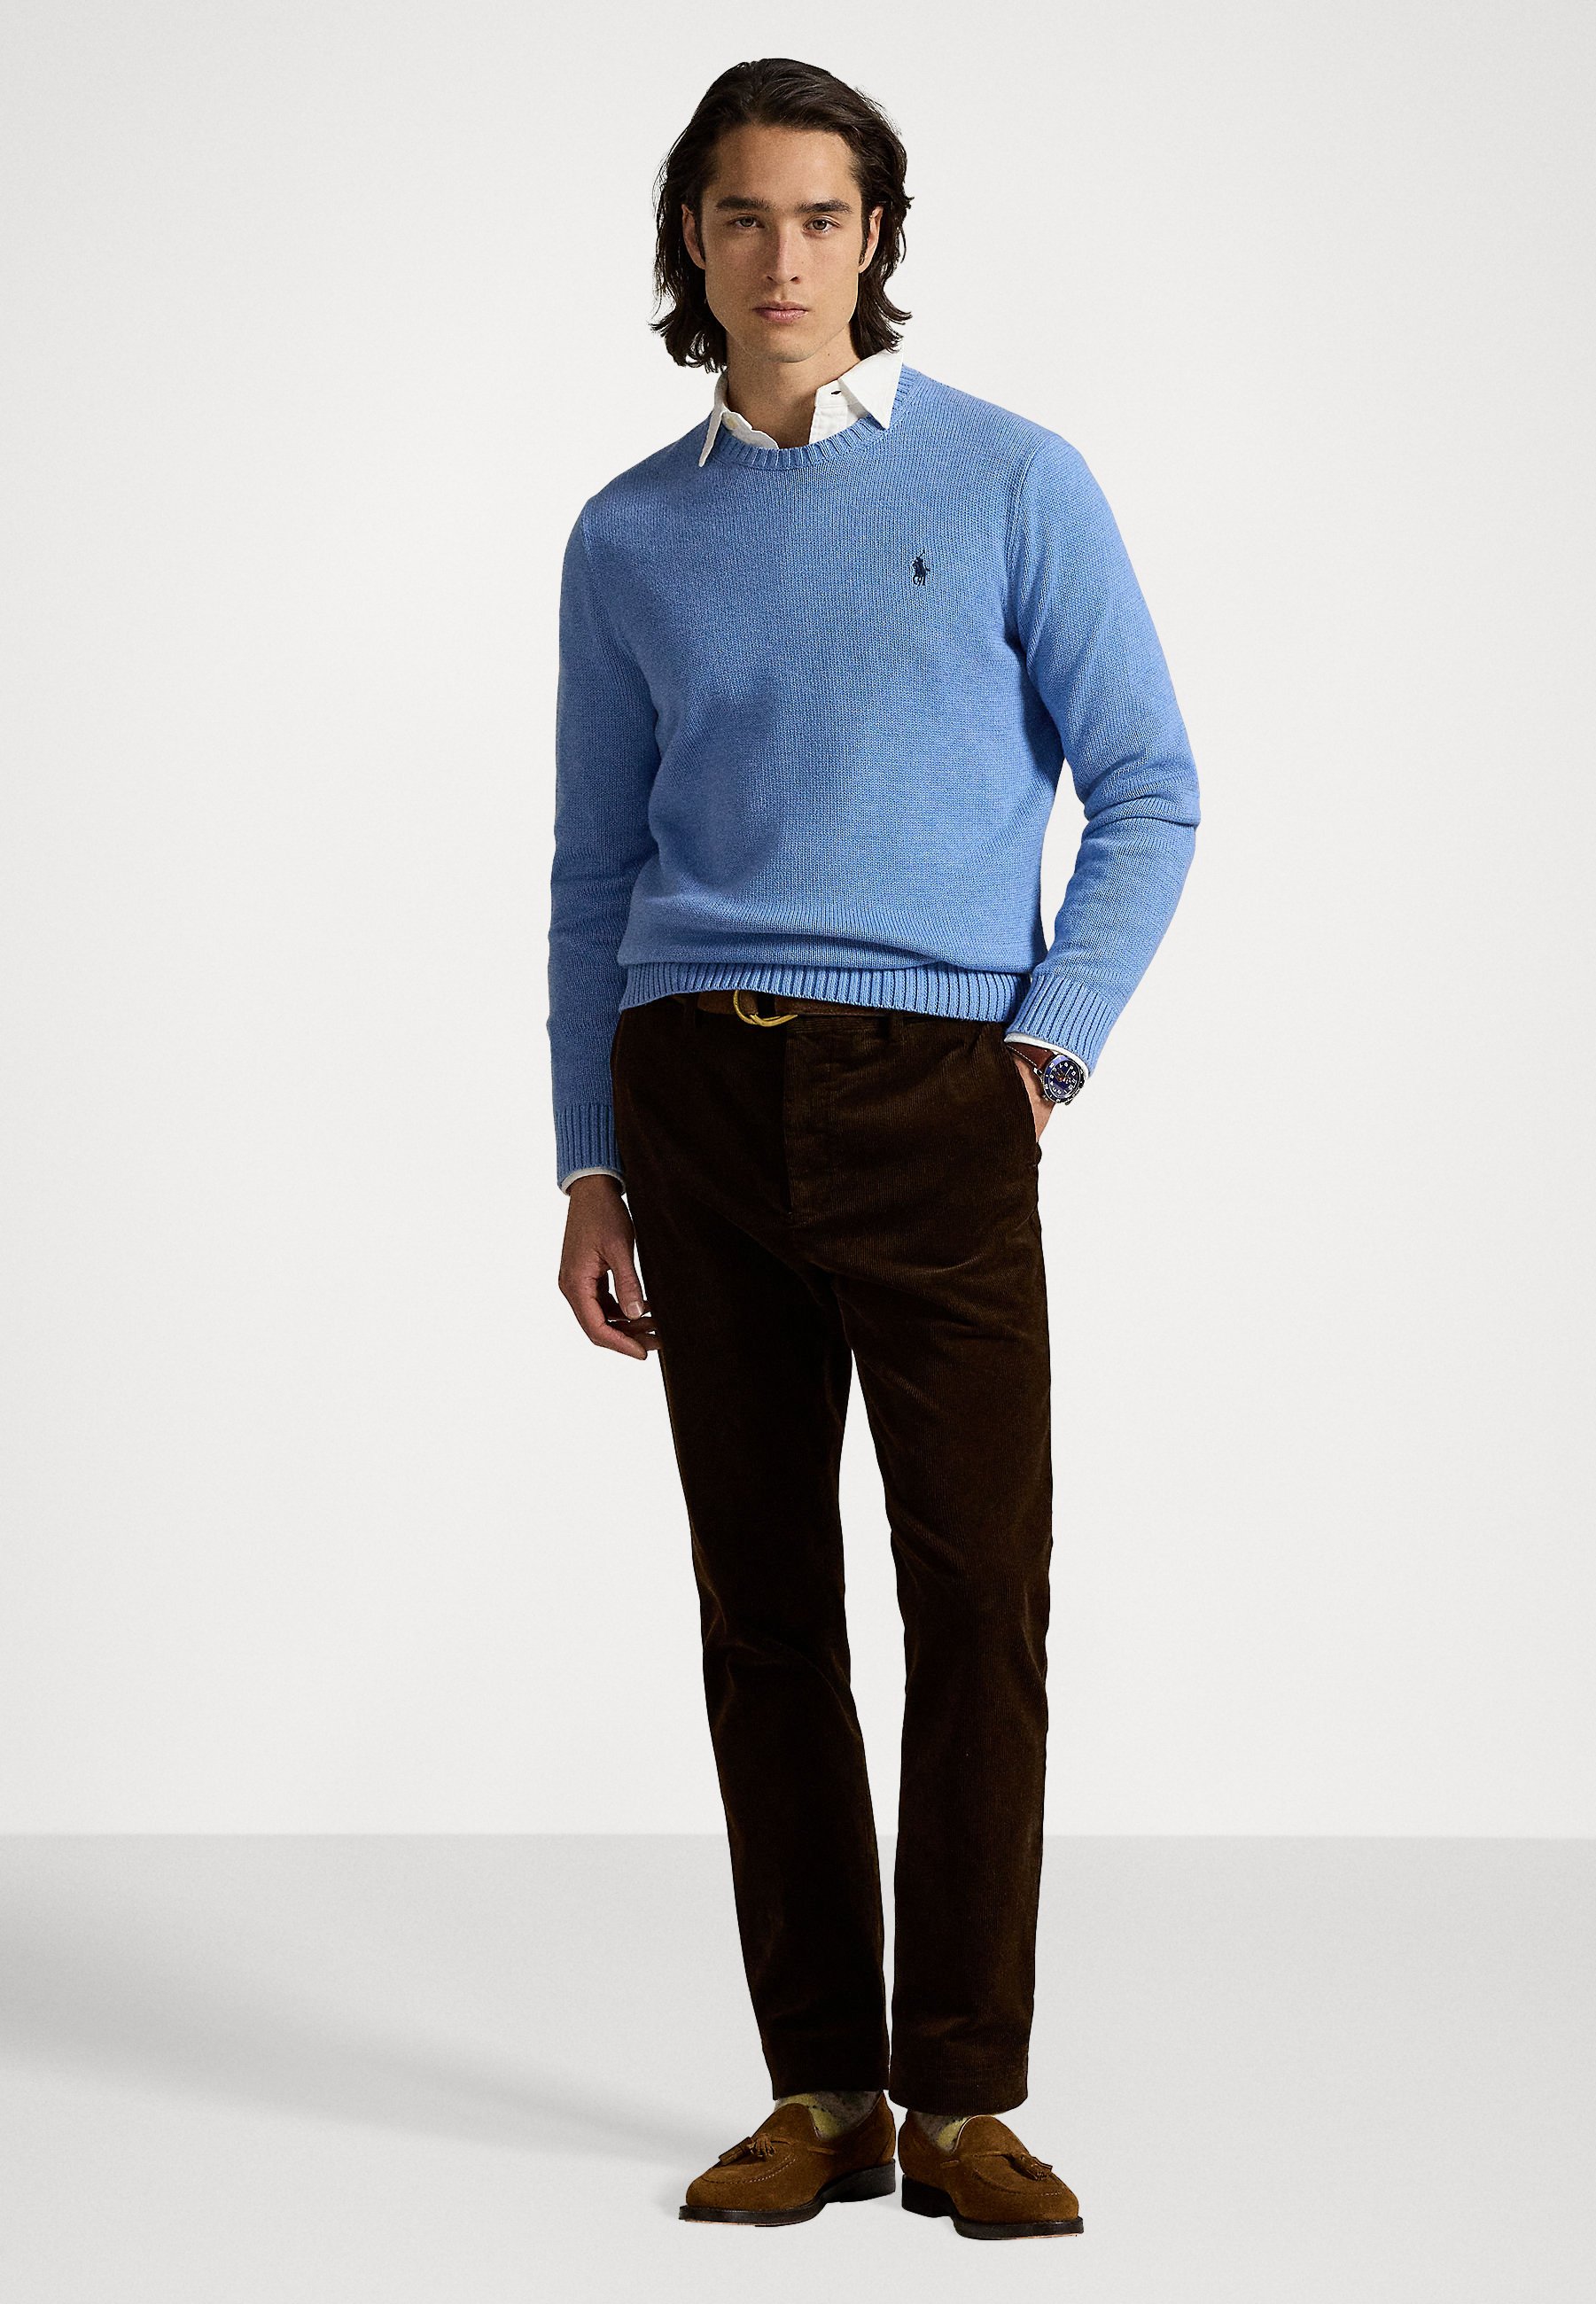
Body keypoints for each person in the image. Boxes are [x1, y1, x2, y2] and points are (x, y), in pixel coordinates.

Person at [547, 56, 1200, 2241]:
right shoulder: (628, 533)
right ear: (693, 241)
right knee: (763, 1611)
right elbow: (591, 864)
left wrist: (1041, 1054)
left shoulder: (1013, 479)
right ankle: (822, 2086)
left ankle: (968, 2097)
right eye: (742, 216)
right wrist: (587, 1161)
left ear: (876, 239)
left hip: (937, 1095)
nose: (783, 258)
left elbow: (1149, 783)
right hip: (692, 1096)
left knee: (976, 1595)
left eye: (822, 218)